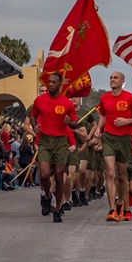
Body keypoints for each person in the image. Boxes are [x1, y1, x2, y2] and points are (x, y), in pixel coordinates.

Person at [92, 71, 132, 223]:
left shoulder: (130, 98)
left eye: (116, 78)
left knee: (122, 176)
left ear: (122, 81)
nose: (112, 80)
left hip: (124, 139)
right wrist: (98, 129)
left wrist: (127, 121)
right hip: (108, 137)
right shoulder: (104, 98)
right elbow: (102, 116)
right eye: (111, 77)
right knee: (110, 173)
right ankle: (111, 209)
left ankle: (121, 204)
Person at [29, 73, 79, 223]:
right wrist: (34, 126)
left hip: (60, 142)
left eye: (53, 82)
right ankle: (47, 196)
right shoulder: (39, 100)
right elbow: (33, 115)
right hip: (44, 140)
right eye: (49, 82)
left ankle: (58, 209)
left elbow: (75, 124)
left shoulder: (66, 103)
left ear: (59, 84)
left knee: (59, 177)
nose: (50, 84)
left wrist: (69, 122)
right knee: (44, 174)